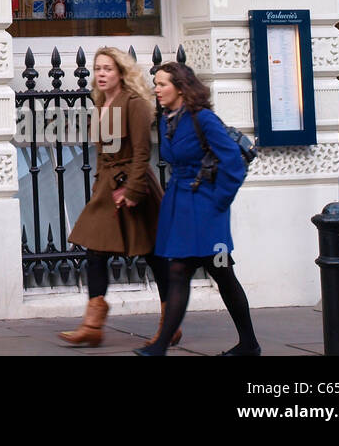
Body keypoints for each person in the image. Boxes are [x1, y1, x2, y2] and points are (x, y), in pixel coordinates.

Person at [134, 61, 260, 357]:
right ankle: (164, 345)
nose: (157, 89)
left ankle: (247, 344)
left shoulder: (204, 119)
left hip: (208, 214)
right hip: (181, 209)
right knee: (184, 271)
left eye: (163, 84)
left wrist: (218, 202)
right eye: (156, 84)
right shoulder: (167, 119)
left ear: (181, 87)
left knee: (219, 271)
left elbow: (231, 163)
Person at [58, 47, 170, 347]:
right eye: (97, 69)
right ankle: (93, 324)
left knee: (153, 255)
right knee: (94, 249)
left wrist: (133, 191)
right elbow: (102, 155)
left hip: (133, 188)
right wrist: (98, 189)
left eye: (107, 68)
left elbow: (142, 152)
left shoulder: (134, 104)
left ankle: (169, 322)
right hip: (108, 189)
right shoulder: (101, 103)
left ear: (121, 72)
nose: (101, 74)